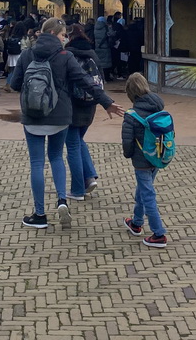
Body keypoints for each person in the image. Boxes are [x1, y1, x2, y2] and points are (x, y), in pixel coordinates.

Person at [8, 17, 122, 230]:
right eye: (62, 35)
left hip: (32, 117)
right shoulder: (65, 56)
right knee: (56, 157)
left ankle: (39, 214)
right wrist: (107, 102)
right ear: (52, 33)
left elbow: (14, 84)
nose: (65, 38)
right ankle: (62, 200)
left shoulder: (26, 55)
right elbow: (85, 82)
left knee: (36, 163)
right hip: (60, 117)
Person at [121, 72, 169, 248]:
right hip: (157, 156)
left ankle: (158, 234)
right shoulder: (158, 106)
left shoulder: (131, 115)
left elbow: (127, 142)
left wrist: (129, 155)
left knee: (148, 194)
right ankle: (136, 222)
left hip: (141, 160)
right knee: (143, 190)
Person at [64, 23, 105, 199]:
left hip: (73, 106)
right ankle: (89, 177)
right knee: (79, 141)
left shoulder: (67, 55)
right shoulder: (92, 53)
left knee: (72, 145)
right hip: (90, 105)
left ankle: (78, 189)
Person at [93, 17, 113, 81]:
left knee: (99, 62)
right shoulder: (106, 28)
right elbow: (112, 34)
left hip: (97, 47)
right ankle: (106, 77)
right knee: (106, 63)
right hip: (105, 47)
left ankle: (101, 76)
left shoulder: (95, 27)